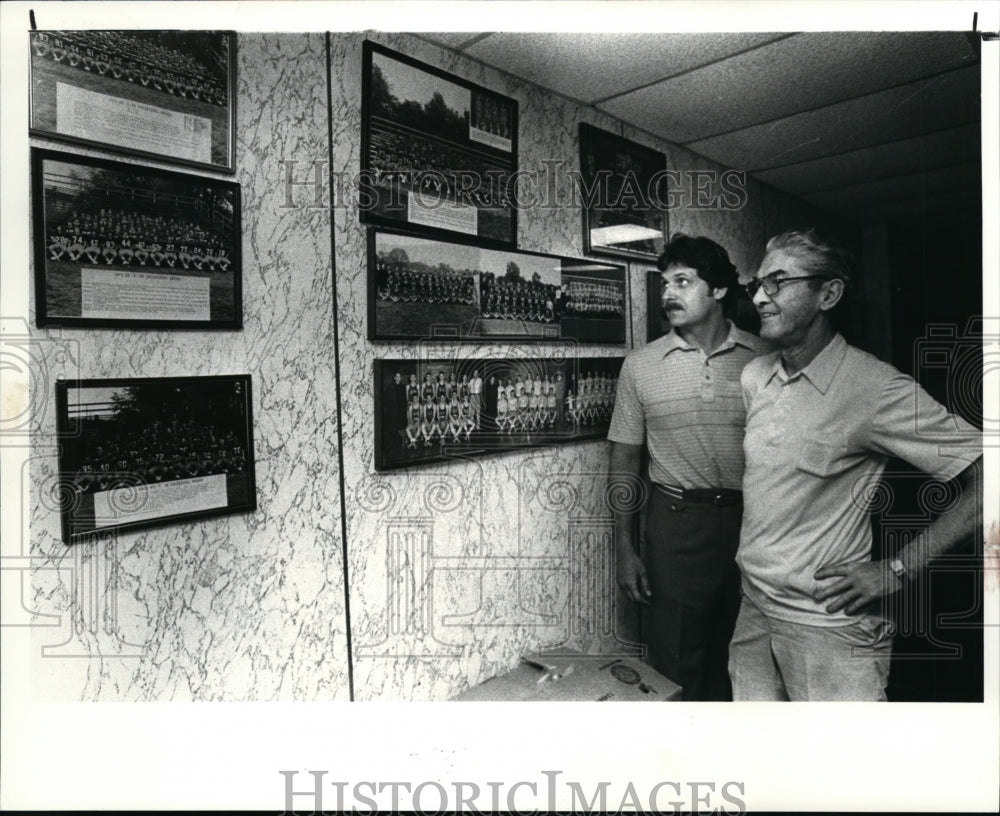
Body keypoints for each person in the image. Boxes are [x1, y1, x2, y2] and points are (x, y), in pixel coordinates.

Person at [731, 229, 981, 701]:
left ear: (829, 293)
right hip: (753, 612)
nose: (761, 297)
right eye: (757, 285)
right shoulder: (754, 377)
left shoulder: (874, 386)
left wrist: (898, 569)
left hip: (826, 624)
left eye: (778, 282)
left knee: (845, 770)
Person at [607, 233, 768, 701]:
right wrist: (624, 547)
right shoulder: (641, 365)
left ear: (718, 290)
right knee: (675, 659)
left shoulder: (764, 358)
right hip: (676, 528)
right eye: (664, 283)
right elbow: (623, 461)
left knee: (750, 655)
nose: (668, 293)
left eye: (682, 281)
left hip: (755, 523)